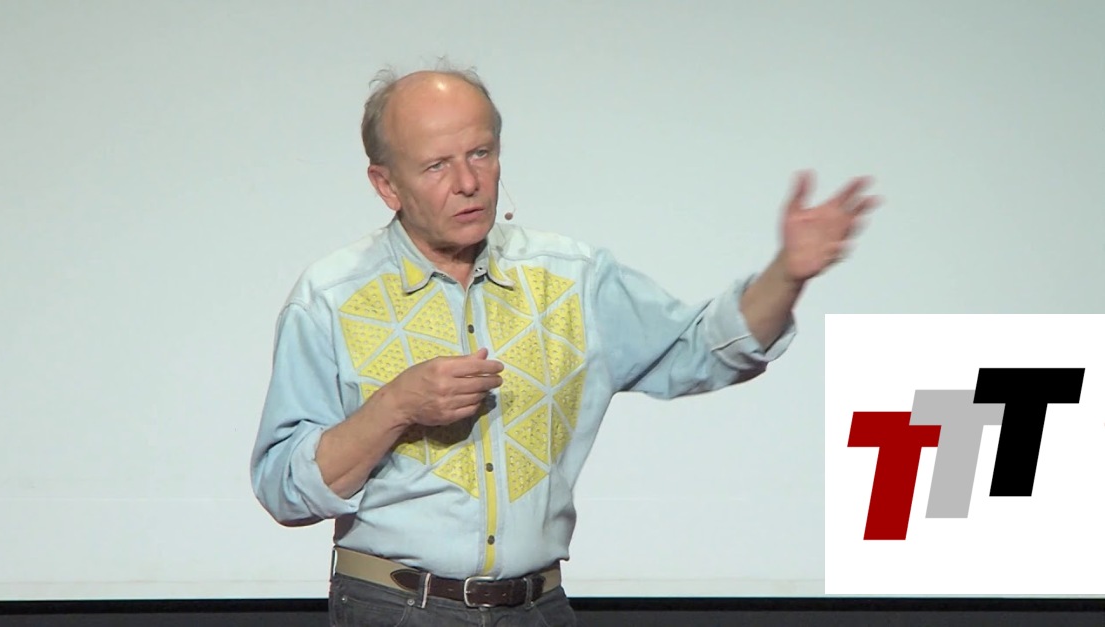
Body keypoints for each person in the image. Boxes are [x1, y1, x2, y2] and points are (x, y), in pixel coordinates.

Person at [250, 62, 878, 627]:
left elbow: (703, 350)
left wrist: (787, 274)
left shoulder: (571, 278)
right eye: (437, 165)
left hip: (537, 608)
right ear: (387, 186)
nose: (468, 182)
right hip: (394, 609)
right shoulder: (331, 297)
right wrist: (394, 407)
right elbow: (283, 487)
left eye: (481, 153)